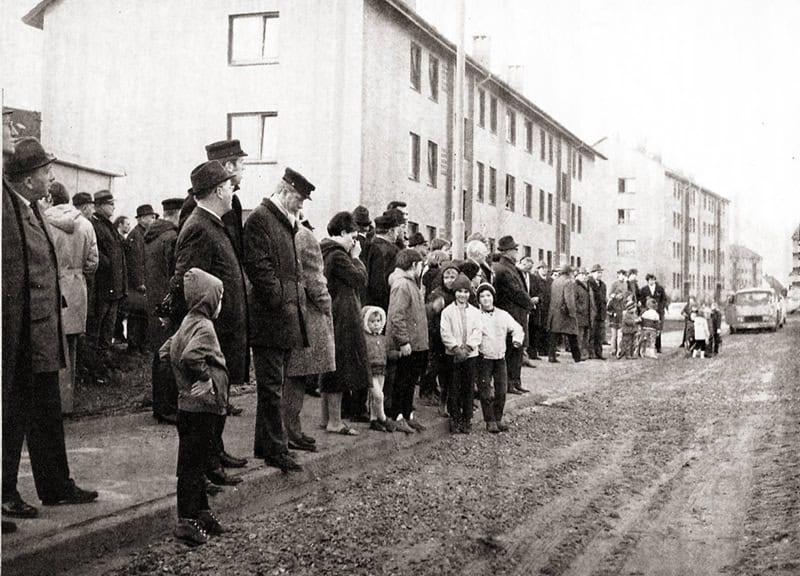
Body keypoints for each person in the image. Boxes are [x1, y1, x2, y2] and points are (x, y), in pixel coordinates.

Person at [3, 137, 98, 525]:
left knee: (45, 411)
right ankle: (6, 493)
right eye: (45, 172)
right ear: (27, 180)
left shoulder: (30, 207)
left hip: (39, 329)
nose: (51, 177)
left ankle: (56, 486)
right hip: (20, 334)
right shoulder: (9, 209)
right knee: (11, 414)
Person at [173, 160, 249, 483]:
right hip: (211, 333)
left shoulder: (213, 223)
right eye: (230, 186)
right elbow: (192, 283)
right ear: (219, 190)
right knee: (206, 403)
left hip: (223, 331)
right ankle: (207, 467)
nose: (234, 191)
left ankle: (213, 455)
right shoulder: (199, 227)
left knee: (218, 399)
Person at [243, 167, 313, 472]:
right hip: (272, 317)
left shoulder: (281, 220)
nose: (300, 205)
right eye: (298, 198)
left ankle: (266, 444)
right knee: (272, 387)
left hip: (282, 315)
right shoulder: (261, 219)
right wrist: (278, 301)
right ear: (284, 192)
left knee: (275, 385)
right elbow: (260, 268)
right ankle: (276, 449)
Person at [170, 268, 228, 547]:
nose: (221, 304)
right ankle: (187, 521)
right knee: (193, 467)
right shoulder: (205, 326)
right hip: (201, 407)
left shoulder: (188, 321)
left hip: (189, 406)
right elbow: (190, 355)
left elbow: (166, 350)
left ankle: (201, 513)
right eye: (220, 298)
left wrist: (179, 379)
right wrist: (204, 378)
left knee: (195, 463)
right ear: (208, 300)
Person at [44, 182, 99, 413]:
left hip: (50, 288)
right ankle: (66, 402)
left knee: (47, 346)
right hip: (76, 289)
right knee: (71, 347)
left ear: (50, 198)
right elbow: (93, 262)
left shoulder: (42, 221)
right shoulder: (85, 224)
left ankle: (48, 403)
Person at [284, 215, 336, 451]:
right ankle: (291, 432)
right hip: (307, 316)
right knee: (296, 377)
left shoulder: (290, 234)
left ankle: (291, 430)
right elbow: (315, 279)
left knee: (294, 377)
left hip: (294, 314)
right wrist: (327, 304)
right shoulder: (304, 236)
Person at [319, 211, 371, 436]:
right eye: (353, 235)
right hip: (342, 316)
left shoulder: (328, 252)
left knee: (332, 366)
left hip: (336, 314)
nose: (355, 241)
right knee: (338, 368)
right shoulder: (339, 255)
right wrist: (357, 257)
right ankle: (335, 421)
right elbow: (360, 280)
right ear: (342, 233)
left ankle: (326, 418)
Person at [386, 249, 429, 433]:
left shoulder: (410, 284)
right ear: (414, 265)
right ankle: (398, 416)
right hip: (407, 345)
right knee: (402, 381)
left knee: (410, 381)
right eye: (420, 265)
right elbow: (397, 315)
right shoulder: (403, 285)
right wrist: (403, 341)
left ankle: (407, 414)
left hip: (416, 343)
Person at [147, 198, 182, 423]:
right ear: (176, 213)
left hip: (154, 301)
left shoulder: (152, 236)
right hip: (167, 303)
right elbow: (174, 276)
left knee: (159, 355)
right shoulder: (171, 238)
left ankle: (160, 406)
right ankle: (168, 408)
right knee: (169, 355)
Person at [89, 190, 128, 379]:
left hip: (114, 288)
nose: (113, 207)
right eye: (109, 204)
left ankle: (105, 364)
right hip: (104, 287)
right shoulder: (95, 225)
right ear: (99, 206)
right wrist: (108, 264)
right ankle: (95, 368)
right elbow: (96, 254)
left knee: (107, 330)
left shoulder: (108, 226)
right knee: (97, 330)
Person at [476, 283, 524, 433]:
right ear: (478, 299)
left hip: (500, 358)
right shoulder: (476, 316)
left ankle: (498, 418)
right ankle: (489, 420)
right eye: (482, 296)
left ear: (493, 297)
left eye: (488, 295)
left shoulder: (502, 315)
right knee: (485, 390)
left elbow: (517, 328)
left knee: (501, 390)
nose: (486, 299)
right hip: (484, 358)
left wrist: (517, 339)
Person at [439, 274, 482, 434]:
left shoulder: (475, 312)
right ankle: (455, 417)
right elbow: (445, 332)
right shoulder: (448, 312)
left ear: (470, 294)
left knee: (468, 386)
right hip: (453, 355)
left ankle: (467, 418)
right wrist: (456, 348)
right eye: (459, 291)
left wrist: (469, 347)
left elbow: (478, 331)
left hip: (470, 355)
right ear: (454, 293)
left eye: (465, 292)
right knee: (454, 386)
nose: (462, 295)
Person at [492, 235, 534, 392]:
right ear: (508, 252)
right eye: (515, 249)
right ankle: (510, 383)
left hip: (516, 313)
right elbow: (516, 291)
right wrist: (530, 303)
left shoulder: (508, 267)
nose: (517, 252)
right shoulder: (505, 269)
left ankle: (515, 381)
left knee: (516, 349)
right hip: (513, 313)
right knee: (513, 349)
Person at [362, 306, 395, 432]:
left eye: (378, 321)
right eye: (372, 321)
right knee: (378, 395)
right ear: (366, 323)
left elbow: (387, 353)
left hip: (382, 370)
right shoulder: (365, 339)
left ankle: (374, 419)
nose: (375, 324)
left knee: (375, 397)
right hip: (370, 371)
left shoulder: (383, 338)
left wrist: (396, 354)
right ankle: (383, 417)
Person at [365, 210, 401, 311]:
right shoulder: (392, 251)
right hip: (385, 301)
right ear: (390, 231)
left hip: (368, 300)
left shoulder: (368, 246)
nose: (397, 235)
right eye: (396, 231)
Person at [548, 264, 582, 363]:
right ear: (569, 272)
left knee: (554, 335)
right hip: (565, 313)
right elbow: (569, 300)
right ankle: (577, 357)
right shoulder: (569, 282)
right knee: (572, 335)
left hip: (555, 312)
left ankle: (551, 356)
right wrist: (572, 313)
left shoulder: (555, 281)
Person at [637, 274, 668, 353]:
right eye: (650, 280)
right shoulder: (644, 289)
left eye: (653, 280)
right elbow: (641, 299)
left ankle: (658, 347)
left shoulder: (660, 289)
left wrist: (660, 307)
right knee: (648, 328)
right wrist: (646, 307)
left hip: (658, 311)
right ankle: (647, 347)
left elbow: (664, 299)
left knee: (657, 328)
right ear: (647, 281)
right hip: (648, 312)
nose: (652, 281)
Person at [528, 262, 551, 359]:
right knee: (536, 329)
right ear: (538, 269)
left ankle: (544, 350)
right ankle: (535, 351)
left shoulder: (549, 280)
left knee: (545, 328)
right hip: (536, 308)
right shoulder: (535, 279)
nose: (544, 270)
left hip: (546, 307)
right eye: (542, 268)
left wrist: (540, 298)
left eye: (545, 268)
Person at [587, 264, 607, 360]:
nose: (600, 274)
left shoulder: (603, 285)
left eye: (600, 273)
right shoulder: (589, 283)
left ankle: (599, 353)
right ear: (592, 273)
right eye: (598, 272)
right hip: (593, 312)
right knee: (592, 334)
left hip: (601, 313)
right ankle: (591, 353)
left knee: (600, 335)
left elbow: (603, 299)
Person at [574, 268, 592, 361]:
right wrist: (581, 309)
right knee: (579, 336)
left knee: (585, 335)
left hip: (586, 315)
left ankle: (584, 354)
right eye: (583, 275)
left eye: (586, 275)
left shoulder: (586, 286)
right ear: (578, 275)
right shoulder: (576, 286)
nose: (585, 277)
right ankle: (579, 354)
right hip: (579, 315)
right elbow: (574, 301)